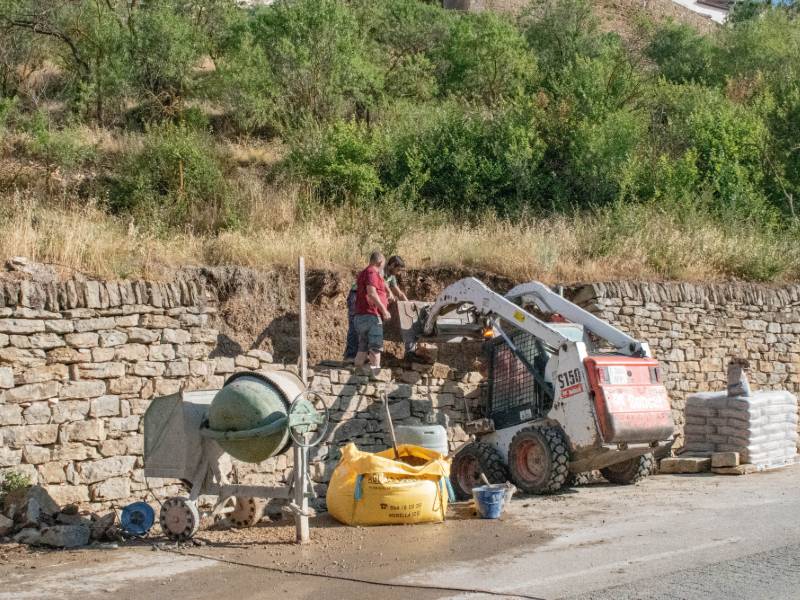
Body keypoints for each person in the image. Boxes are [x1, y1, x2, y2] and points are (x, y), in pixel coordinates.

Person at [343, 254, 409, 362]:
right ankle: (350, 355)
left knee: (365, 331)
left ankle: (361, 358)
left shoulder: (392, 277)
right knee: (355, 326)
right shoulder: (378, 270)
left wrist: (408, 304)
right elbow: (381, 283)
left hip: (369, 301)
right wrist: (389, 292)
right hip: (357, 295)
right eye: (398, 269)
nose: (399, 272)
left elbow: (399, 293)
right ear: (392, 265)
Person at [354, 251, 391, 374]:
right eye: (383, 265)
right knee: (375, 348)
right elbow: (372, 292)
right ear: (380, 262)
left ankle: (357, 376)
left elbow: (380, 283)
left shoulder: (364, 272)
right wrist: (384, 310)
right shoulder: (372, 272)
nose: (383, 268)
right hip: (371, 316)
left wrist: (388, 291)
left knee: (362, 348)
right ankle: (376, 376)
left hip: (361, 316)